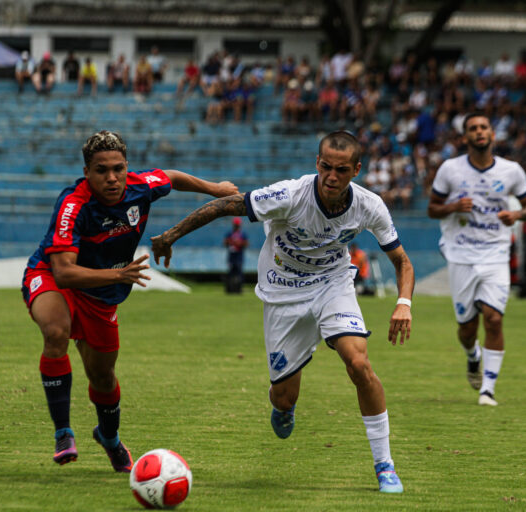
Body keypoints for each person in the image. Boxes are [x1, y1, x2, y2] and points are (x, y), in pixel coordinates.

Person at [151, 131, 413, 493]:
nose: (331, 176)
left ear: (356, 169)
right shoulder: (289, 195)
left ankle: (385, 465)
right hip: (282, 294)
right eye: (325, 167)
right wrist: (170, 235)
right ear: (316, 163)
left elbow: (401, 262)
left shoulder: (369, 205)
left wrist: (404, 303)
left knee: (359, 364)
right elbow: (225, 206)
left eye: (340, 169)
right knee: (283, 396)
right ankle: (284, 406)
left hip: (332, 286)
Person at [21, 130, 237, 471]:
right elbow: (64, 272)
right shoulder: (73, 204)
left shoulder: (140, 186)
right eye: (101, 170)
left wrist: (215, 188)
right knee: (56, 331)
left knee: (103, 376)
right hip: (53, 276)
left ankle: (109, 437)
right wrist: (118, 275)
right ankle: (63, 433)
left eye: (118, 168)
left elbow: (172, 177)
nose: (112, 178)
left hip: (103, 295)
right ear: (86, 172)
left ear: (127, 167)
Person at [427, 112, 526, 406]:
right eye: (473, 128)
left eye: (483, 127)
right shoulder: (450, 169)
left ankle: (487, 389)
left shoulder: (512, 171)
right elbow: (432, 209)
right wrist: (452, 206)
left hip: (495, 254)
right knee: (466, 328)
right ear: (465, 137)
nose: (479, 132)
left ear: (492, 134)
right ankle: (472, 355)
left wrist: (516, 214)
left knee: (494, 318)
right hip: (461, 254)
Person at [223, 217, 248, 293]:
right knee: (231, 273)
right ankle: (229, 289)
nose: (236, 226)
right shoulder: (229, 233)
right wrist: (230, 242)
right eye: (235, 225)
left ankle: (239, 289)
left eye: (237, 225)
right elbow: (225, 242)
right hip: (232, 256)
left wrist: (240, 243)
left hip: (239, 256)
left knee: (239, 273)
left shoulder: (242, 234)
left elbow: (246, 243)